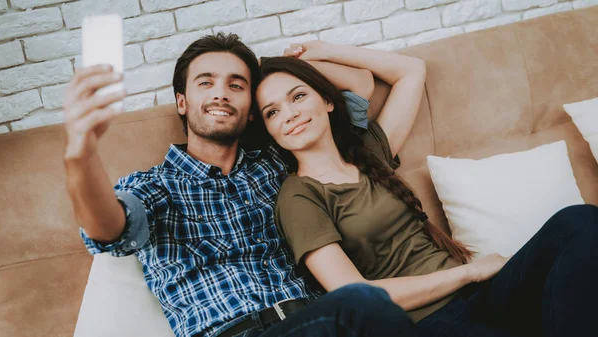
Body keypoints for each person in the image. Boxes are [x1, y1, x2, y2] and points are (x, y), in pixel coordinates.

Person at [63, 32, 420, 337]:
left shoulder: (283, 162)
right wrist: (81, 156)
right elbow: (108, 227)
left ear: (252, 109)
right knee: (367, 305)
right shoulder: (157, 185)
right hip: (231, 330)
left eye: (236, 85)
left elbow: (359, 88)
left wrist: (283, 63)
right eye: (206, 83)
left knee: (373, 308)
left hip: (314, 321)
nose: (221, 94)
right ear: (182, 103)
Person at [255, 40, 598, 337]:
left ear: (328, 102)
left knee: (577, 222)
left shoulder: (369, 151)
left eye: (298, 96)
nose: (289, 114)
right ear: (270, 131)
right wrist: (469, 271)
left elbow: (410, 71)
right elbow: (353, 294)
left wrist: (320, 53)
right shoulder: (298, 197)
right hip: (431, 321)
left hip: (485, 294)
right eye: (272, 112)